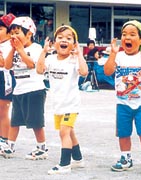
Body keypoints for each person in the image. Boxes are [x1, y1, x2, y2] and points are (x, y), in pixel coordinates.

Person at [104, 20, 141, 173]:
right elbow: (107, 72)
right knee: (123, 132)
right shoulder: (119, 56)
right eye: (124, 34)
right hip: (122, 103)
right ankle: (125, 157)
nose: (127, 37)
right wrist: (113, 54)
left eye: (132, 34)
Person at [37, 25, 88, 174]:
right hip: (58, 104)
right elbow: (39, 70)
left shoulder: (73, 60)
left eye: (68, 38)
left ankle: (64, 164)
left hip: (71, 104)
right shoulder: (51, 58)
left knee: (64, 132)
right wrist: (44, 51)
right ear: (54, 42)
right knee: (69, 132)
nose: (64, 40)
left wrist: (79, 54)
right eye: (60, 37)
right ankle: (78, 160)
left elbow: (84, 72)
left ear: (74, 43)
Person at [3, 16, 48, 160]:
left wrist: (21, 50)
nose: (14, 36)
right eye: (12, 33)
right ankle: (10, 146)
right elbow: (7, 65)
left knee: (35, 121)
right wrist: (12, 49)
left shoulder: (36, 48)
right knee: (15, 120)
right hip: (19, 90)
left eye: (17, 33)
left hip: (34, 90)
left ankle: (42, 147)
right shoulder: (14, 49)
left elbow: (31, 64)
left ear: (29, 34)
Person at [0, 13, 16, 155]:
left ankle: (4, 140)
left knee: (3, 110)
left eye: (0, 29)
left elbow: (5, 64)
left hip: (5, 77)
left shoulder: (11, 44)